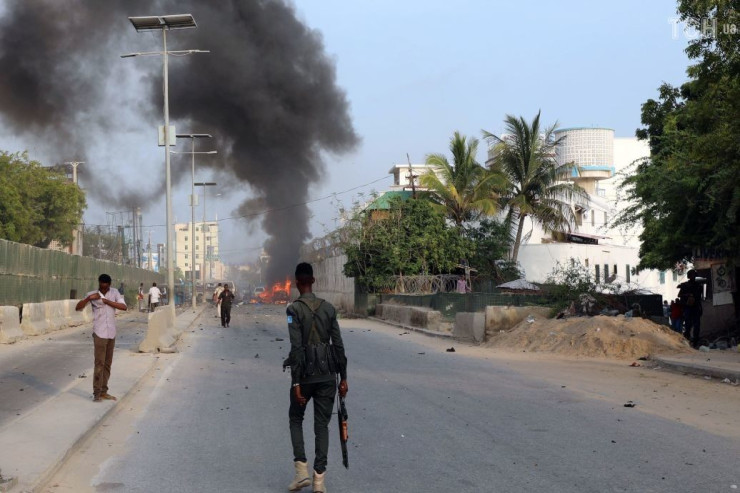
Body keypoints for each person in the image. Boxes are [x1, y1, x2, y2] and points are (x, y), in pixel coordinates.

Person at [285, 262, 348, 493]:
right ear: (313, 281)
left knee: (295, 418)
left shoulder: (293, 311)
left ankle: (301, 472)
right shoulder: (329, 309)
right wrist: (343, 378)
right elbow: (338, 346)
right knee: (322, 425)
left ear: (296, 282)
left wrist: (296, 383)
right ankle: (319, 481)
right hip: (327, 376)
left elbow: (296, 348)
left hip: (305, 377)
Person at [75, 274, 127, 402]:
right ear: (99, 283)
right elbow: (78, 307)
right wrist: (88, 298)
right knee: (99, 363)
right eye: (101, 286)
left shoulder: (115, 293)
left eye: (105, 286)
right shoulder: (92, 294)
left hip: (111, 333)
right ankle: (96, 393)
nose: (103, 288)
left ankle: (104, 391)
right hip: (99, 333)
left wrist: (107, 301)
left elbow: (124, 307)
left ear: (109, 285)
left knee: (107, 364)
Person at [678, 269, 703, 348]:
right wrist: (688, 295)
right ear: (689, 276)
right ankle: (687, 341)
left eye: (694, 275)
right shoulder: (685, 285)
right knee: (688, 325)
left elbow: (700, 297)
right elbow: (679, 295)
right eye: (692, 275)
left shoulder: (699, 285)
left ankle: (695, 342)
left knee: (697, 326)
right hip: (688, 307)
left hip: (696, 307)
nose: (693, 276)